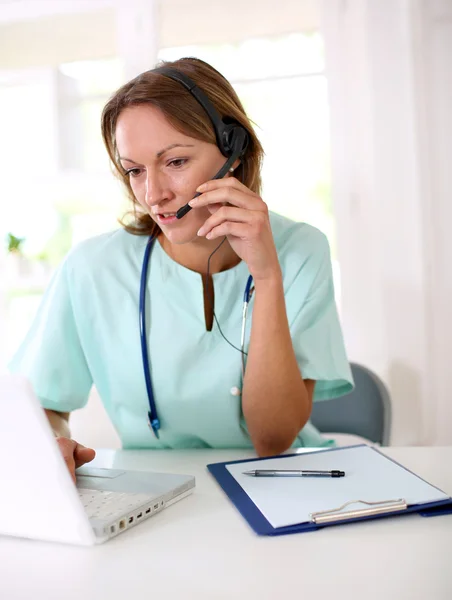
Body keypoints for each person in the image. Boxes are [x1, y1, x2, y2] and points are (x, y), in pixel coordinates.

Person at [8, 57, 353, 481]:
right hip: (155, 493)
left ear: (234, 151)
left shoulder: (301, 249)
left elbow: (273, 440)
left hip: (282, 484)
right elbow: (40, 405)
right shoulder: (92, 268)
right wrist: (52, 442)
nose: (152, 194)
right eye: (134, 170)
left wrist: (266, 276)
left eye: (175, 162)